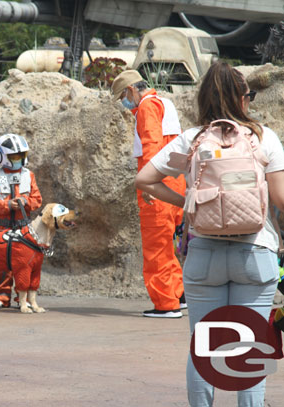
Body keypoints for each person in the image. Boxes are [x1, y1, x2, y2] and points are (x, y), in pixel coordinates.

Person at [135, 61, 284, 406]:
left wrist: (188, 202)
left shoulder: (192, 139)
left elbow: (144, 179)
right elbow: (279, 200)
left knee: (204, 347)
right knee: (249, 349)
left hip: (204, 256)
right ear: (243, 99)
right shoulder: (264, 137)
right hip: (255, 254)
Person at [111, 69, 186, 318]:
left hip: (159, 187)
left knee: (156, 248)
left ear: (131, 89)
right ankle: (178, 295)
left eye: (123, 96)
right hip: (175, 185)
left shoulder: (145, 107)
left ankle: (166, 305)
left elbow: (152, 145)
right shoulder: (164, 103)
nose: (124, 103)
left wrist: (147, 185)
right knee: (170, 245)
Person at [0, 133, 42, 308]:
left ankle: (23, 299)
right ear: (1, 156)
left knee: (24, 264)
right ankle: (0, 297)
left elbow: (37, 199)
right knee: (1, 264)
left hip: (23, 229)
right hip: (1, 229)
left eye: (21, 156)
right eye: (15, 157)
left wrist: (26, 202)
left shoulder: (28, 175)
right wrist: (7, 205)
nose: (19, 160)